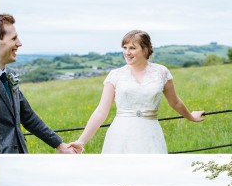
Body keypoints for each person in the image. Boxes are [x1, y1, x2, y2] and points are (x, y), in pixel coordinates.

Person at [72, 30, 204, 154]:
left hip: (150, 134)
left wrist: (191, 117)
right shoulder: (115, 75)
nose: (127, 52)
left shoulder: (161, 72)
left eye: (132, 48)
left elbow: (174, 102)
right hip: (120, 135)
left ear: (145, 50)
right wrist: (80, 142)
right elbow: (101, 111)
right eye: (125, 47)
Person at [0, 13, 79, 153]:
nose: (19, 43)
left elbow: (28, 116)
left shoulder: (10, 75)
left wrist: (60, 145)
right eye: (14, 38)